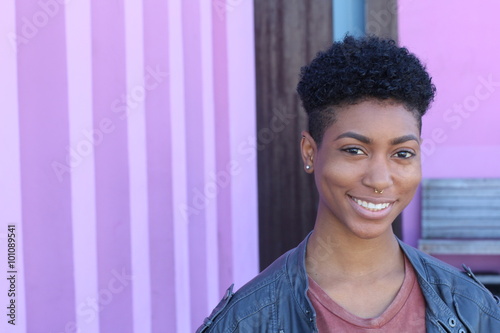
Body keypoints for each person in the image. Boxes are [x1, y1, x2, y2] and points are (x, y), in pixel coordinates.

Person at [196, 35, 500, 332]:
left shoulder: (472, 310)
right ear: (310, 152)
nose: (380, 179)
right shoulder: (248, 321)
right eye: (355, 150)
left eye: (402, 153)